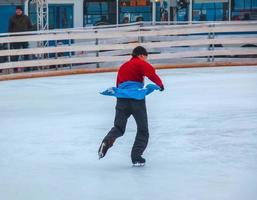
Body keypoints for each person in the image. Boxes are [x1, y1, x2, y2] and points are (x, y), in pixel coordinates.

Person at [98, 46, 164, 166]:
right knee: (143, 129)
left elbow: (118, 84)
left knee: (119, 127)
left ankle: (107, 141)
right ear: (141, 55)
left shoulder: (123, 66)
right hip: (136, 99)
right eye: (145, 58)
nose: (145, 60)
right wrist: (160, 84)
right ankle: (136, 157)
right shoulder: (140, 63)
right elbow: (151, 73)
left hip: (122, 99)